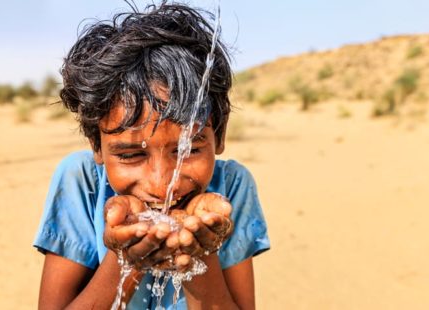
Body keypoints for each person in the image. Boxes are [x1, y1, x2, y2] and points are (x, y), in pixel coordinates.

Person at [34, 2, 269, 309]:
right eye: (131, 155)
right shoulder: (82, 182)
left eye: (188, 150)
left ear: (219, 137)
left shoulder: (232, 188)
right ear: (97, 146)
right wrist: (126, 259)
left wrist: (199, 255)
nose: (161, 184)